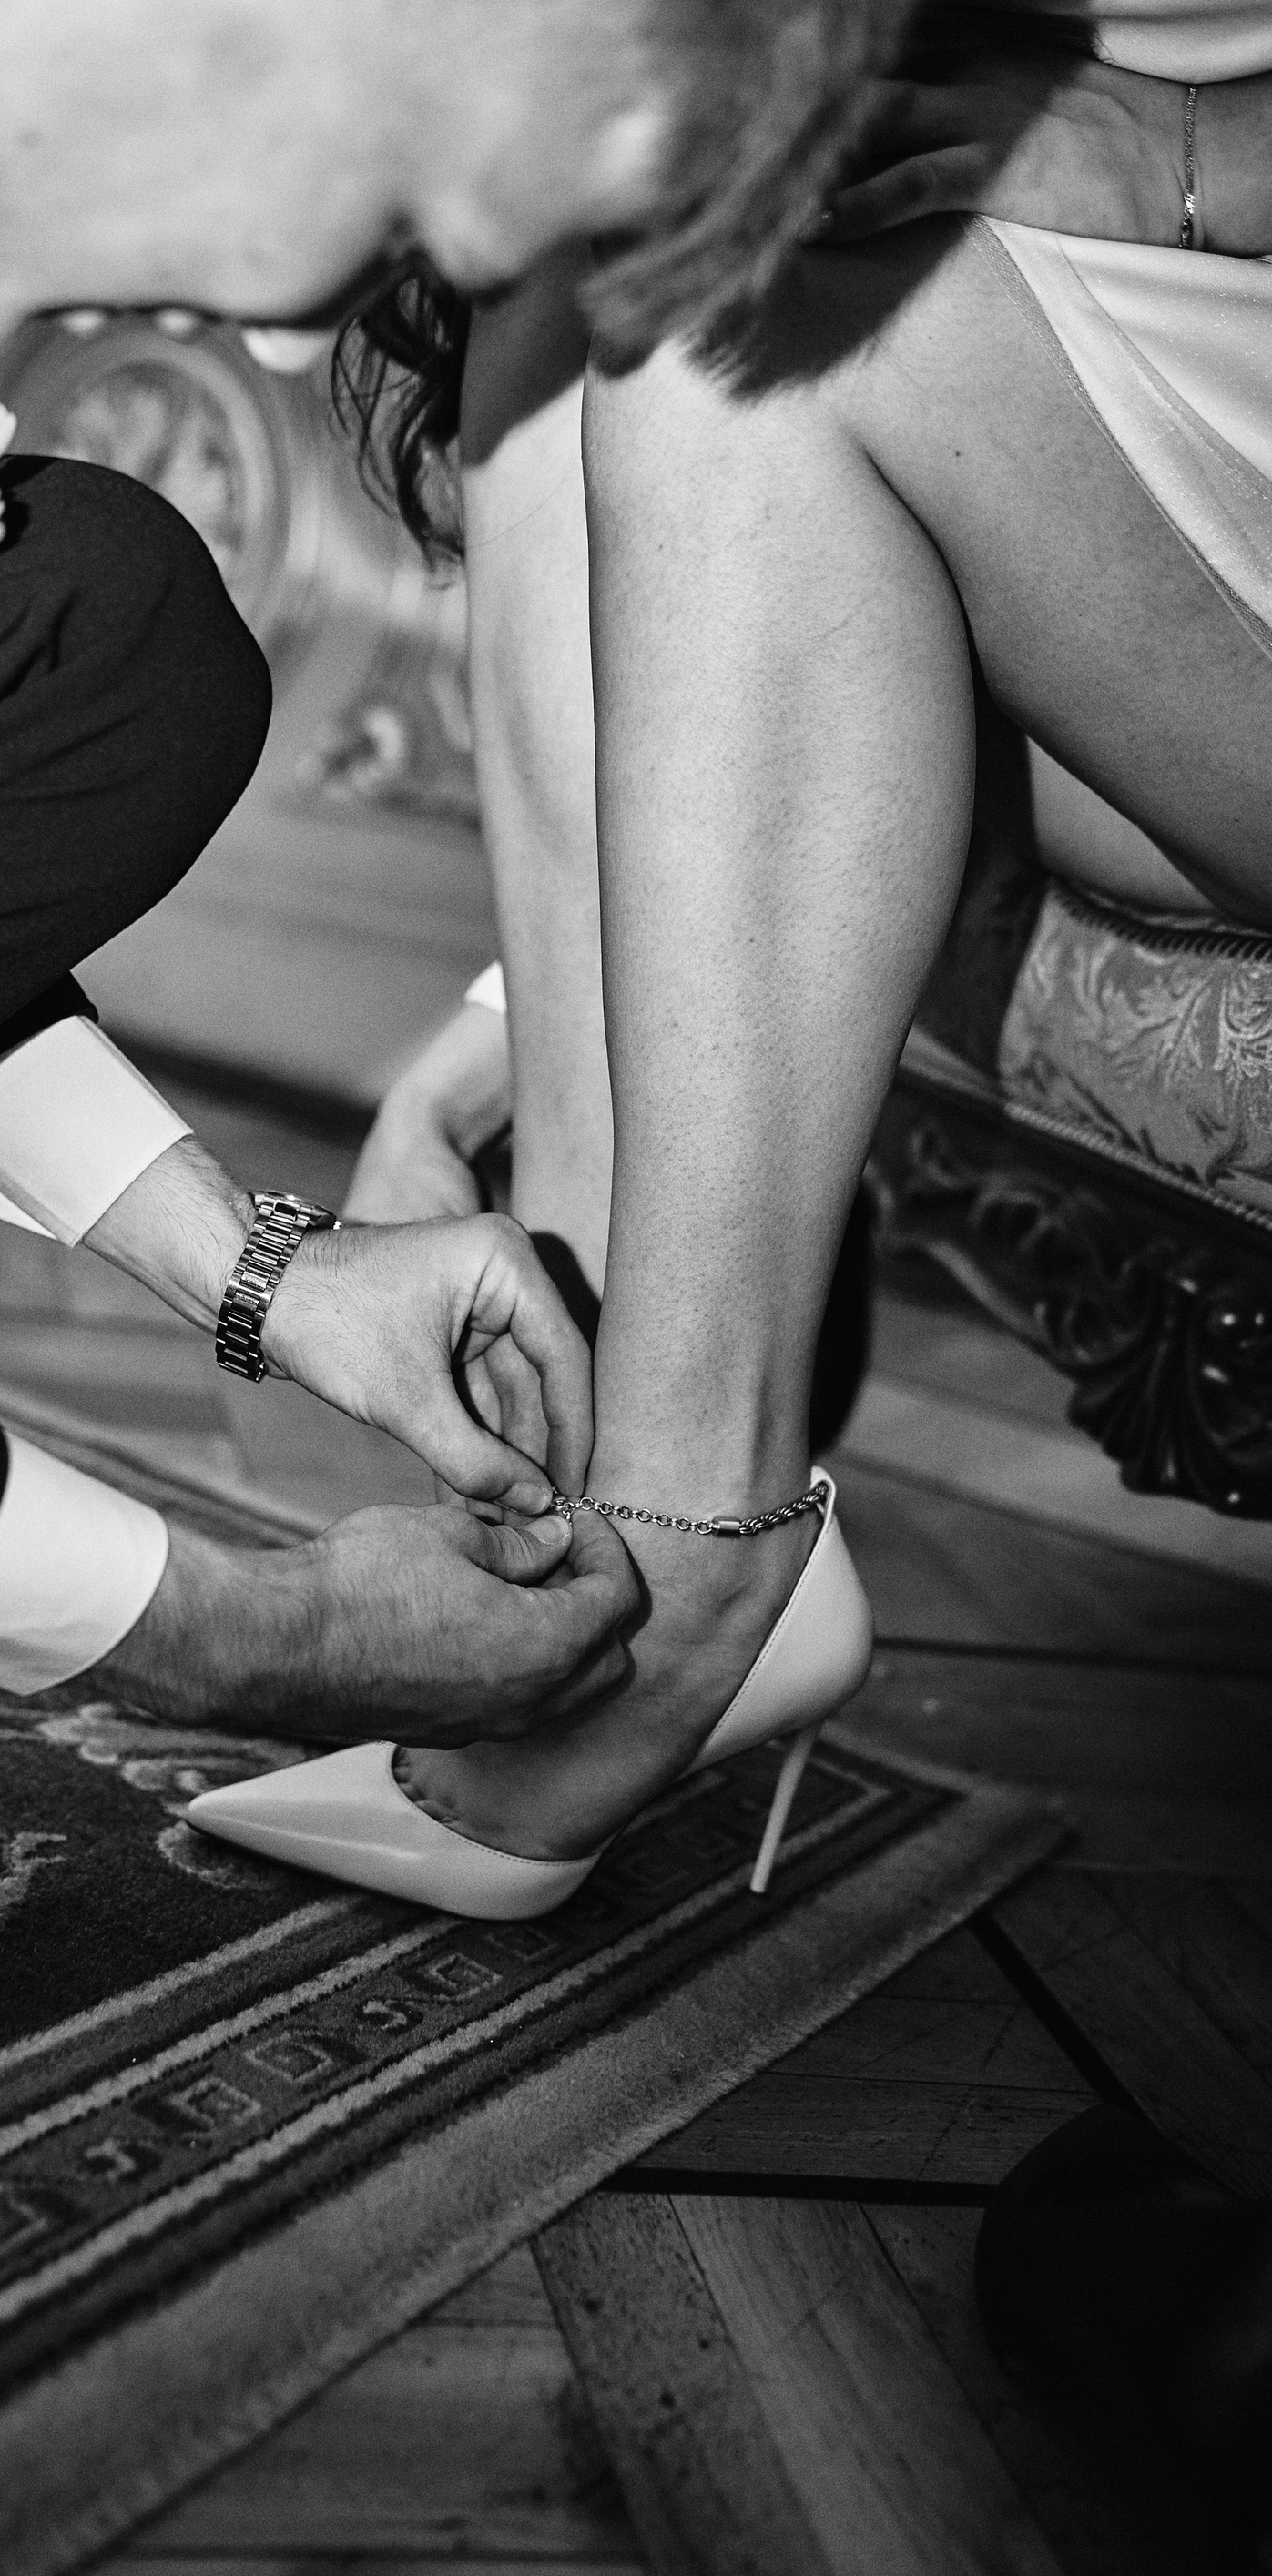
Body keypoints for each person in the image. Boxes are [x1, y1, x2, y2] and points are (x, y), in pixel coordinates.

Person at [0, 0, 907, 1873]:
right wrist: (248, 1633)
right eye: (400, 199)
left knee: (85, 625)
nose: (282, 335)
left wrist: (261, 1269)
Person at [188, 5, 1272, 1908]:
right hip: (1089, 391)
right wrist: (521, 1011)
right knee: (581, 285)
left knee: (743, 330)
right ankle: (598, 1466)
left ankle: (697, 1557)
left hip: (1183, 280)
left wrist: (1199, 163)